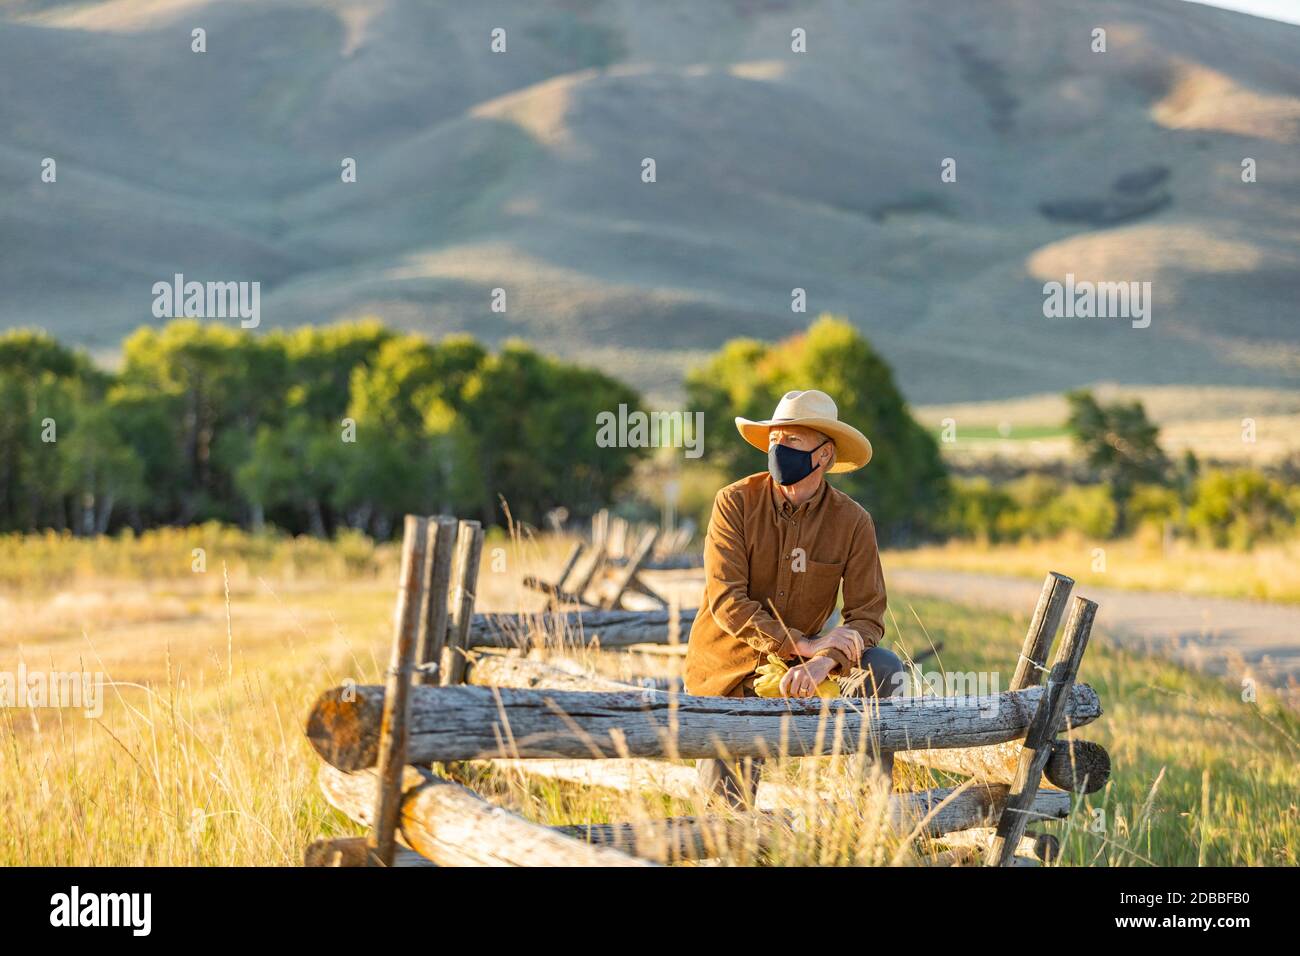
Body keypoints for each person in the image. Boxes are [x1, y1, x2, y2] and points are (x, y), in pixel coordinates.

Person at [684, 389, 905, 808]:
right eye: (773, 440)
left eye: (791, 442)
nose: (777, 449)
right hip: (729, 671)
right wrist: (803, 644)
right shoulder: (734, 502)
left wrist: (826, 659)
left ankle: (868, 813)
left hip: (807, 669)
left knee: (885, 669)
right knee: (723, 817)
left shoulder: (853, 521)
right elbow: (728, 600)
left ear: (823, 456)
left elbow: (867, 616)